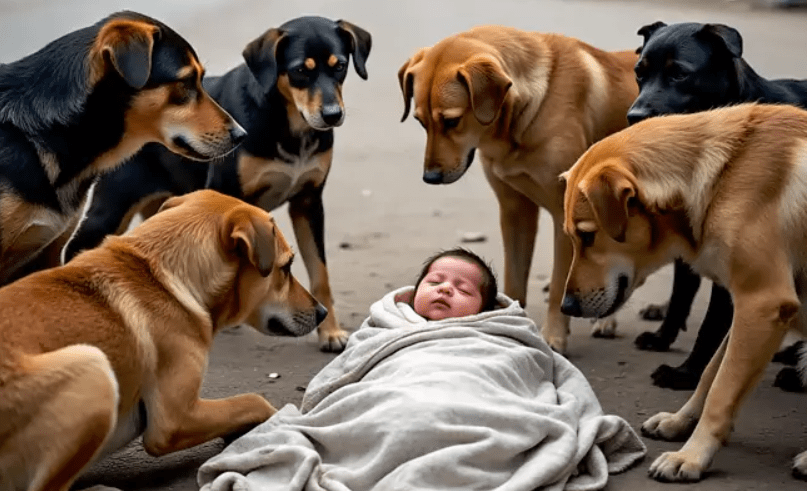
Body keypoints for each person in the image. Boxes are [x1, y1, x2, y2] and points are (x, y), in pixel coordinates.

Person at [409, 247, 498, 320]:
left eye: (463, 290)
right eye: (435, 282)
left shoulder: (486, 335)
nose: (445, 287)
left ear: (483, 311)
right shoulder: (397, 319)